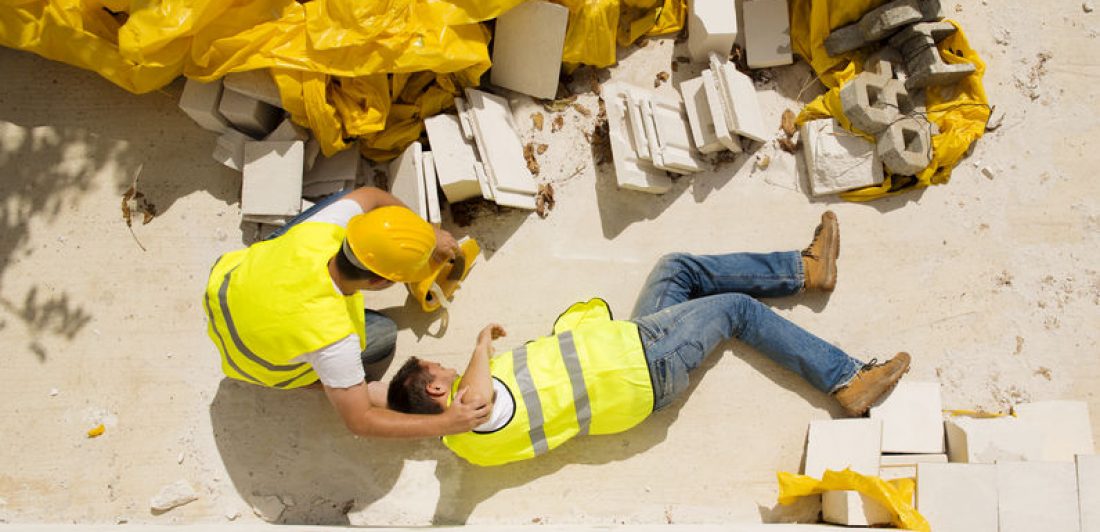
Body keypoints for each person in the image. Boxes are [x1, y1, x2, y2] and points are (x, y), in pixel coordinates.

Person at [386, 211, 910, 465]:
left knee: (675, 269)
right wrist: (481, 344)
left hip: (628, 349)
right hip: (643, 368)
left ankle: (804, 270)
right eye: (440, 371)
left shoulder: (466, 445)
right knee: (736, 311)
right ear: (436, 392)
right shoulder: (472, 416)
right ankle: (847, 379)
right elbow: (478, 400)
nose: (450, 369)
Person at [203, 186, 489, 438]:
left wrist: (427, 234)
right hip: (255, 362)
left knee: (345, 199)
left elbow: (373, 196)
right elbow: (360, 421)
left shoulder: (322, 232)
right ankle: (318, 382)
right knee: (383, 334)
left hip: (228, 291)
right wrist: (448, 424)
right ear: (379, 281)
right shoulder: (333, 335)